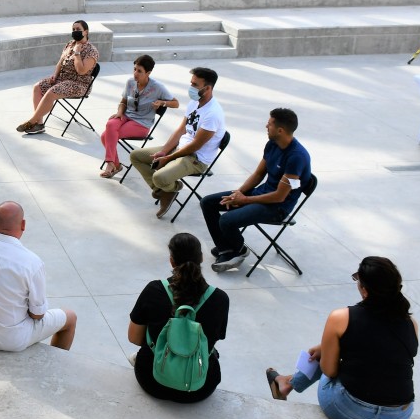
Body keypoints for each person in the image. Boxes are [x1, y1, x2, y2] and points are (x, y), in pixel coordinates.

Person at [266, 256, 417, 419]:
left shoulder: (341, 317)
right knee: (336, 349)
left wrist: (329, 348)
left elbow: (329, 371)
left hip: (351, 411)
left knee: (329, 354)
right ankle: (287, 382)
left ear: (365, 290)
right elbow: (384, 351)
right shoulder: (411, 323)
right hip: (398, 415)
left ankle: (287, 384)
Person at [0, 201, 77, 352]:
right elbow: (37, 315)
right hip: (11, 340)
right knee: (70, 317)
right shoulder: (32, 263)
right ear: (23, 225)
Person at [202, 108, 312, 272]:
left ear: (280, 130)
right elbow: (259, 174)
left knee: (226, 220)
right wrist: (238, 193)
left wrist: (245, 200)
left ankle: (238, 250)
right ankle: (227, 248)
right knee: (208, 203)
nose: (266, 126)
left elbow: (280, 196)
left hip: (277, 207)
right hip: (261, 195)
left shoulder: (297, 157)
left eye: (269, 124)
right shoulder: (272, 144)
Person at [127, 233, 230, 403]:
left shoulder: (154, 289)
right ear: (202, 258)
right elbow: (213, 340)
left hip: (152, 380)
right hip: (199, 388)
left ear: (171, 261)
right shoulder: (220, 299)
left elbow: (134, 338)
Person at [130, 67, 227, 220]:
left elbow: (195, 146)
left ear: (207, 88)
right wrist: (164, 151)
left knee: (159, 177)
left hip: (195, 158)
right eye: (191, 83)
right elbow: (181, 129)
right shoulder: (194, 103)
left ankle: (169, 187)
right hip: (180, 148)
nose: (191, 88)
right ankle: (166, 191)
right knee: (136, 156)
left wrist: (168, 158)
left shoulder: (213, 114)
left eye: (195, 85)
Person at [100, 55, 178, 179]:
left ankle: (112, 165)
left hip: (141, 123)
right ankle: (114, 164)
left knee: (106, 136)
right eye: (135, 69)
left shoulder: (158, 87)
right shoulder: (130, 82)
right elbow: (123, 101)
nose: (135, 73)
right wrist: (120, 112)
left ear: (148, 73)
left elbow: (176, 103)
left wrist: (162, 103)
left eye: (139, 71)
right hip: (126, 116)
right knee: (110, 124)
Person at [17, 20, 100, 135]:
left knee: (51, 92)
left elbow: (81, 71)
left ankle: (32, 121)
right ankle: (39, 124)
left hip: (79, 84)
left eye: (78, 29)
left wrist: (77, 53)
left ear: (85, 32)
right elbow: (60, 62)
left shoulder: (92, 51)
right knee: (38, 87)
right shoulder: (70, 44)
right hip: (62, 79)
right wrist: (55, 75)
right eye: (73, 29)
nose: (75, 31)